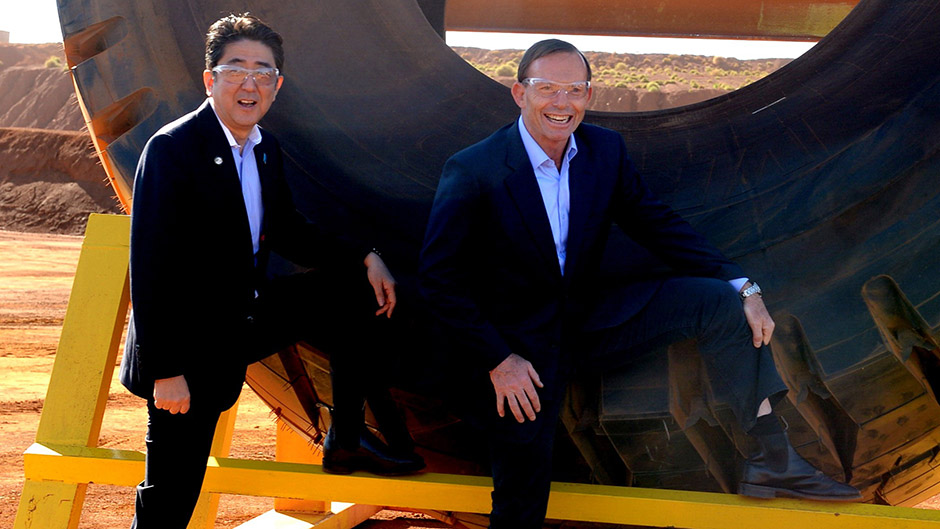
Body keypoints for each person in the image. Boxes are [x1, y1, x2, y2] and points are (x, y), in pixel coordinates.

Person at [418, 39, 861, 529]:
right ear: (519, 93)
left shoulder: (604, 150)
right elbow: (439, 278)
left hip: (593, 321)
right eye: (547, 89)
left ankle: (771, 462)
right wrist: (498, 360)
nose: (561, 103)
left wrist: (742, 286)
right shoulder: (474, 168)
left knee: (720, 305)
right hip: (519, 350)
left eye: (574, 90)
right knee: (523, 490)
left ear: (588, 95)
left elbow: (656, 224)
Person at [120, 13, 422, 529]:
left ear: (277, 87)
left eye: (264, 72)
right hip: (186, 347)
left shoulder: (264, 150)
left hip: (242, 322)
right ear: (210, 78)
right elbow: (151, 267)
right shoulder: (173, 150)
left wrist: (364, 255)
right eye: (237, 69)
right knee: (172, 493)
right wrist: (166, 372)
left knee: (353, 289)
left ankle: (345, 438)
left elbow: (288, 230)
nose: (250, 83)